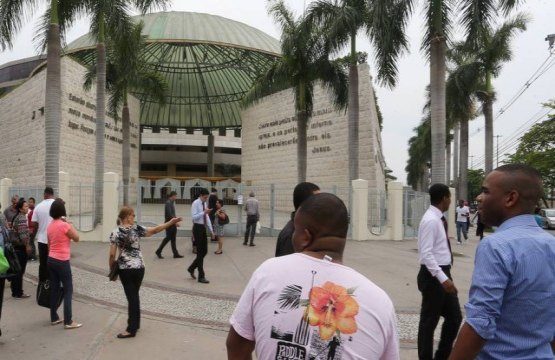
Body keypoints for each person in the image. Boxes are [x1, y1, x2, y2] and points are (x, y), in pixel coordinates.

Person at [226, 193, 399, 360]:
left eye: (295, 230)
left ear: (305, 237)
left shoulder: (267, 273)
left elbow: (236, 346)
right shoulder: (380, 302)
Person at [449, 164, 555, 359]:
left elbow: (480, 323)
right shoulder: (552, 244)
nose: (479, 198)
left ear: (510, 198)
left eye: (485, 191)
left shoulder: (496, 246)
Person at [109, 207, 182, 338]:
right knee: (134, 296)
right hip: (139, 267)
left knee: (132, 297)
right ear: (126, 216)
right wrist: (170, 223)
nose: (134, 217)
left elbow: (112, 255)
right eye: (132, 215)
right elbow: (155, 230)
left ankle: (131, 329)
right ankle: (135, 325)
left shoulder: (115, 233)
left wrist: (112, 271)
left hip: (125, 269)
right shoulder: (136, 229)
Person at [417, 183, 462, 360]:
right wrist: (443, 278)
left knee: (454, 318)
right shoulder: (430, 220)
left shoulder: (438, 219)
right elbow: (426, 254)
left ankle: (442, 356)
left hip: (442, 273)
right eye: (449, 197)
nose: (451, 201)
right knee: (429, 321)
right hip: (433, 275)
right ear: (444, 198)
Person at [47, 198, 82, 329]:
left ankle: (54, 317)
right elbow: (77, 238)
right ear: (62, 211)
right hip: (62, 260)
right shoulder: (64, 225)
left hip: (51, 259)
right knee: (68, 290)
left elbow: (49, 246)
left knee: (55, 289)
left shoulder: (50, 226)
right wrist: (69, 223)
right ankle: (68, 321)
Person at [275, 182, 320, 257]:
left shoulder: (304, 229)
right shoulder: (291, 235)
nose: (322, 203)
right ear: (305, 204)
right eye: (318, 200)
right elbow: (288, 267)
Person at [187, 188, 213, 284]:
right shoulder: (195, 203)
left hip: (203, 228)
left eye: (207, 197)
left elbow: (206, 217)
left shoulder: (204, 203)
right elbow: (194, 217)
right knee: (200, 253)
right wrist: (204, 212)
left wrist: (211, 230)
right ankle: (201, 276)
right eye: (205, 197)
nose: (206, 199)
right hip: (197, 228)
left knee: (204, 251)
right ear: (201, 195)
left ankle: (191, 267)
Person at [31, 187, 55, 282]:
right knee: (53, 262)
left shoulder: (38, 206)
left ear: (44, 194)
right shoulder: (56, 205)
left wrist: (31, 239)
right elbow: (63, 220)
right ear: (52, 194)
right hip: (53, 240)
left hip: (41, 240)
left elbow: (34, 224)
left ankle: (42, 284)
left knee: (43, 263)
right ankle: (52, 282)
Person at [10, 198, 32, 299]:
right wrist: (27, 245)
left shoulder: (17, 217)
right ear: (20, 209)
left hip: (15, 247)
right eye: (25, 207)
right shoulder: (22, 218)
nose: (27, 208)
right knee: (20, 271)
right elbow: (23, 235)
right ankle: (19, 292)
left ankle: (15, 291)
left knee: (16, 270)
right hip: (21, 247)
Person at [155, 191, 183, 259]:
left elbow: (173, 214)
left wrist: (176, 221)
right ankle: (158, 251)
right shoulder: (168, 203)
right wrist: (175, 221)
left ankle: (175, 253)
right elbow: (169, 215)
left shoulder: (171, 203)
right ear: (172, 196)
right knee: (168, 238)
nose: (176, 198)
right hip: (169, 224)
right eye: (175, 196)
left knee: (173, 239)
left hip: (172, 223)